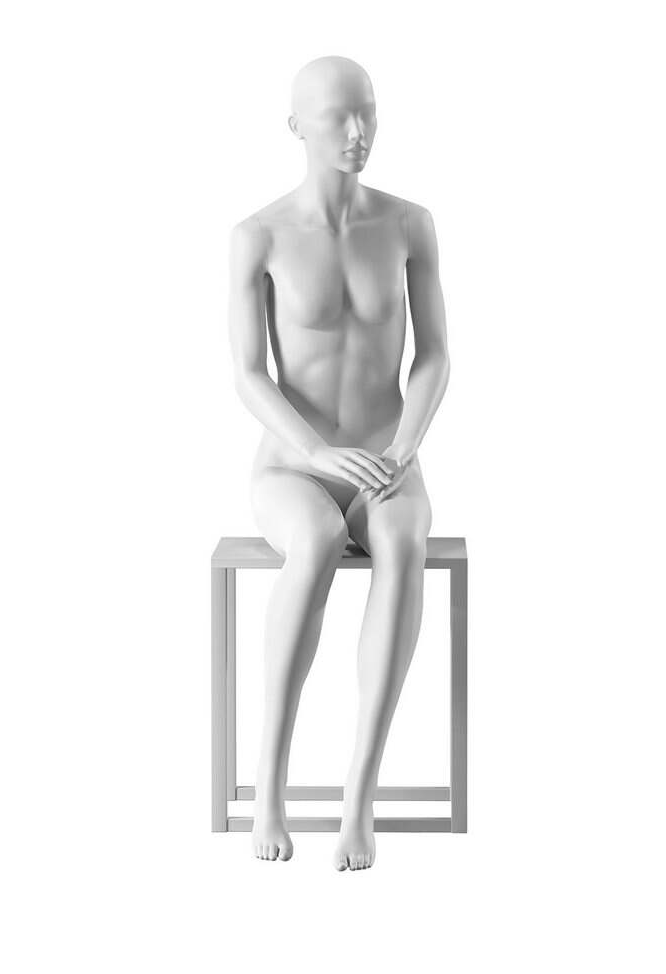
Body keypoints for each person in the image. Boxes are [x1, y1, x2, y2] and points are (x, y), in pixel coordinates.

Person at [228, 55, 451, 871]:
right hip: (294, 466)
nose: (358, 133)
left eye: (368, 113)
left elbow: (434, 355)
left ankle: (360, 796)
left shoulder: (409, 224)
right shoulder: (258, 235)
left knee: (403, 540)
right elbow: (249, 373)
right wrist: (316, 450)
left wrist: (404, 446)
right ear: (297, 127)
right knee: (317, 540)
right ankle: (270, 786)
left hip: (388, 458)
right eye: (337, 118)